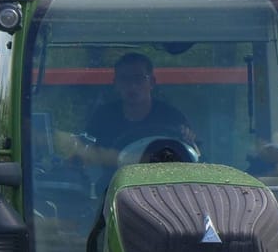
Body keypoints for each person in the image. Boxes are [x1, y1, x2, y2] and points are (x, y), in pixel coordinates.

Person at [58, 52, 198, 168]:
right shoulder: (103, 117)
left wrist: (189, 141)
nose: (132, 86)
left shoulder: (172, 117)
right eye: (124, 79)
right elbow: (84, 154)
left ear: (152, 82)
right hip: (110, 190)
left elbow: (194, 157)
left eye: (139, 79)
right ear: (116, 84)